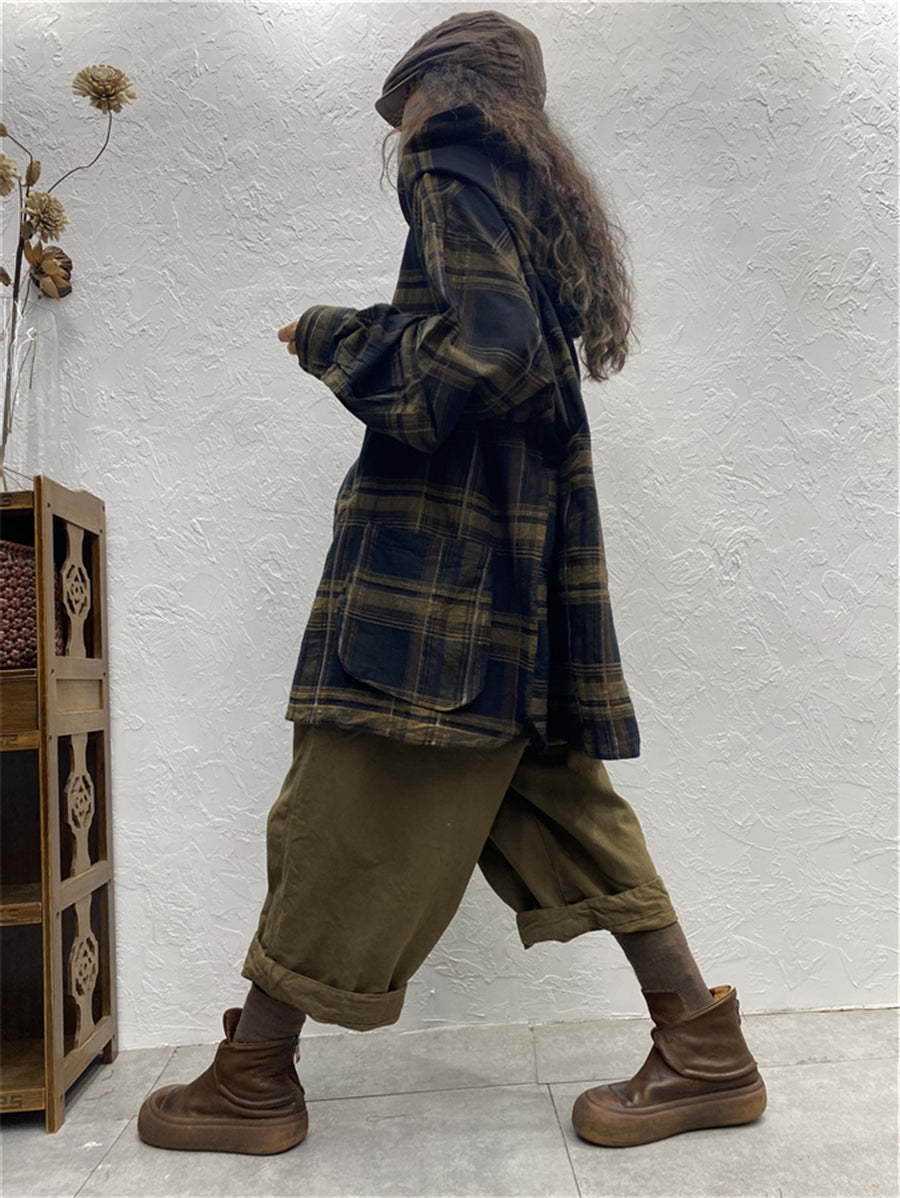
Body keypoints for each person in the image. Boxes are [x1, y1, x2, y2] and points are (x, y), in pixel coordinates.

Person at [137, 10, 766, 1156]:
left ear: (442, 85)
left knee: (345, 805)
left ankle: (255, 1079)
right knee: (564, 813)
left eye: (405, 103)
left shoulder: (452, 152)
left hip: (437, 589)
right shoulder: (525, 186)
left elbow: (490, 350)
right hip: (512, 581)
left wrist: (335, 335)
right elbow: (509, 345)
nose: (402, 127)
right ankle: (705, 1052)